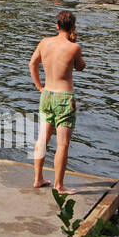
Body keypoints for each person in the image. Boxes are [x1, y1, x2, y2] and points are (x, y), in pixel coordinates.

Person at [29, 10, 85, 195]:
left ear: (57, 26)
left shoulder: (45, 42)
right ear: (72, 28)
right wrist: (74, 42)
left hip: (46, 95)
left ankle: (38, 179)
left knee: (42, 140)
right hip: (64, 98)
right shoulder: (73, 48)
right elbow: (80, 67)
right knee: (62, 144)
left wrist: (39, 87)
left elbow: (32, 64)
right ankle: (59, 186)